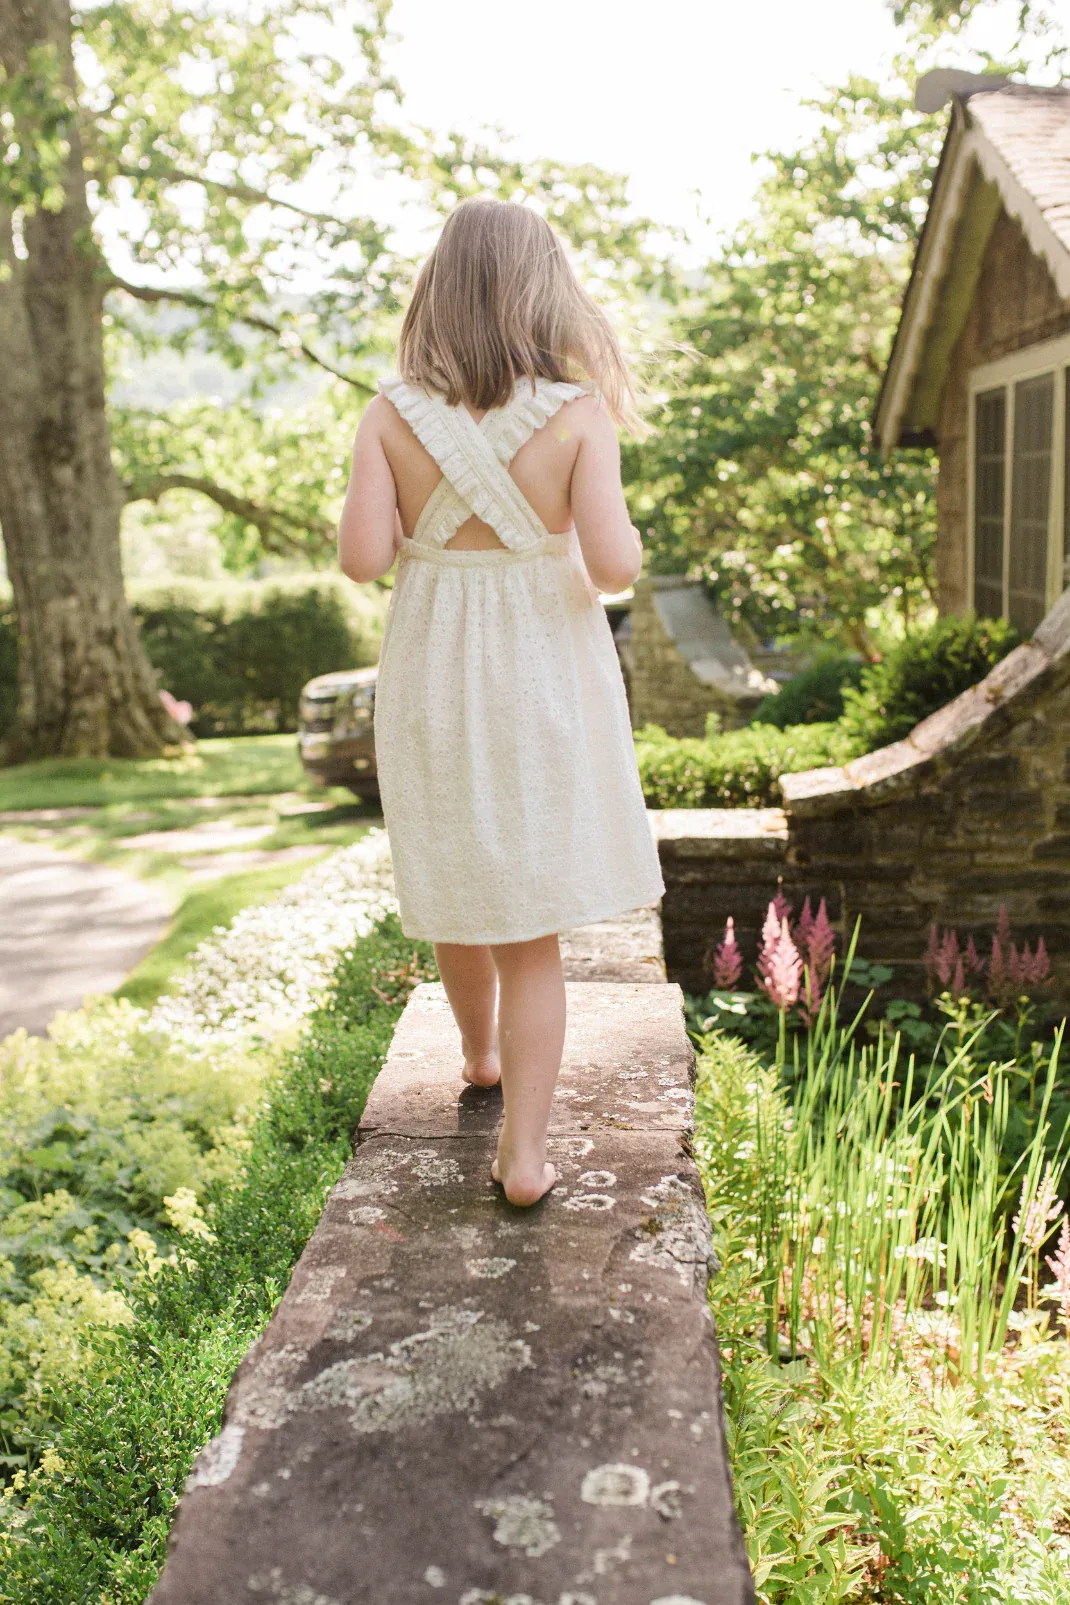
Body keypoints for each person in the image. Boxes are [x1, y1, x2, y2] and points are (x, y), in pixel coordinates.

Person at [337, 197, 664, 1207]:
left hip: (433, 675)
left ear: (434, 294)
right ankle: (523, 1155)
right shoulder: (574, 415)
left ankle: (475, 1054)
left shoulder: (389, 414)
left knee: (453, 874)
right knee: (530, 927)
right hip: (539, 681)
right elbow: (611, 568)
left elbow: (360, 560)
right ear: (544, 292)